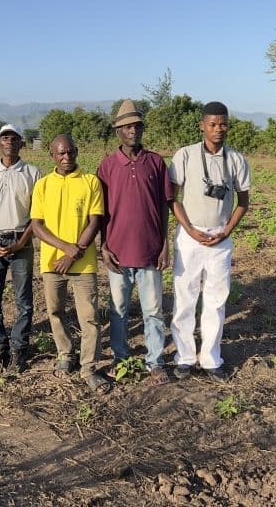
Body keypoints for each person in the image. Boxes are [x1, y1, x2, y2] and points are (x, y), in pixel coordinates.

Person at [169, 101, 251, 382]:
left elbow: (243, 202)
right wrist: (190, 230)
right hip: (190, 236)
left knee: (216, 300)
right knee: (185, 297)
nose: (219, 129)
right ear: (202, 125)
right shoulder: (185, 156)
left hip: (220, 237)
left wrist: (226, 230)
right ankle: (185, 357)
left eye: (223, 124)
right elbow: (172, 198)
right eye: (213, 124)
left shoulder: (236, 159)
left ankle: (211, 359)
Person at [98, 100, 173, 386]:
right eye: (127, 127)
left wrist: (165, 244)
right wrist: (104, 247)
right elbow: (100, 212)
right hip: (117, 252)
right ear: (118, 131)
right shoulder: (107, 166)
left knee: (153, 310)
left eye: (137, 126)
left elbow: (164, 205)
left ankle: (155, 361)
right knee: (118, 310)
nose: (133, 131)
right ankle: (121, 358)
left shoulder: (155, 162)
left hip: (150, 250)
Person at [30, 134, 112, 395]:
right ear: (52, 155)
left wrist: (74, 255)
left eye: (71, 153)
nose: (67, 158)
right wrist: (65, 249)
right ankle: (65, 354)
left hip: (83, 265)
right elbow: (37, 225)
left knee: (89, 318)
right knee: (55, 312)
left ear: (77, 152)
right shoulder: (43, 185)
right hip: (52, 264)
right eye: (61, 153)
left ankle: (89, 367)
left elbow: (95, 221)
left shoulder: (90, 182)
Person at [0, 124, 41, 373]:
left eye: (14, 138)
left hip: (21, 242)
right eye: (5, 138)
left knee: (23, 300)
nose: (9, 142)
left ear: (21, 144)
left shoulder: (33, 173)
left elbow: (37, 215)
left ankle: (19, 347)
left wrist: (22, 241)